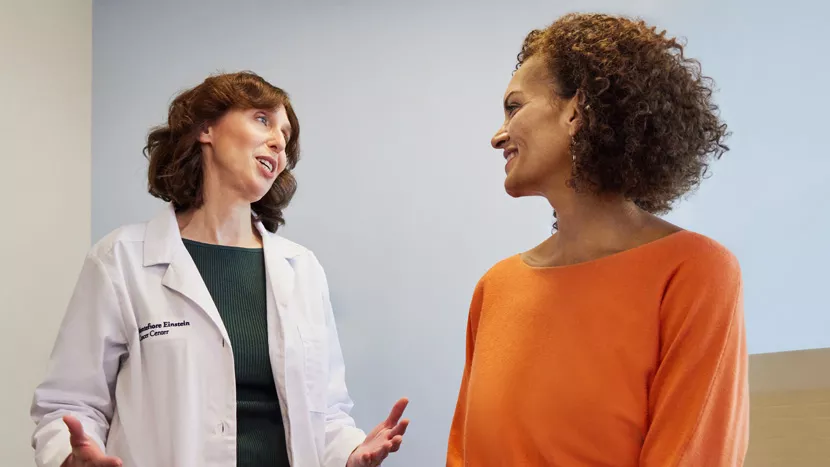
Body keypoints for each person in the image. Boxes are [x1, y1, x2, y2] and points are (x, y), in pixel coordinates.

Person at [31, 71, 408, 467]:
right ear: (205, 128)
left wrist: (351, 453)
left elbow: (327, 414)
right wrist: (70, 459)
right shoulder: (121, 259)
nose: (279, 141)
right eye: (263, 119)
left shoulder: (303, 269)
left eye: (286, 135)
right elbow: (69, 404)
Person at [446, 13, 748, 467]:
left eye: (514, 107)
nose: (498, 135)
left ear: (576, 110)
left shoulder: (694, 271)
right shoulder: (495, 287)